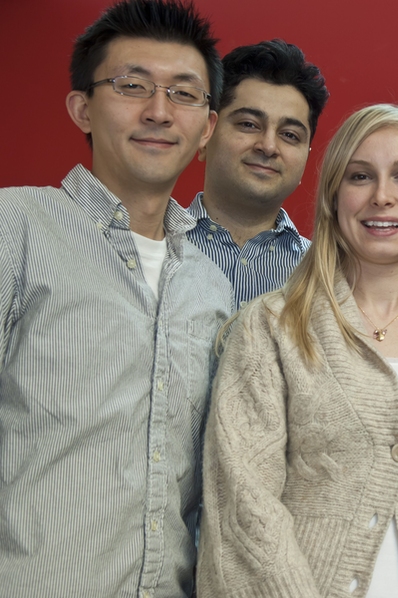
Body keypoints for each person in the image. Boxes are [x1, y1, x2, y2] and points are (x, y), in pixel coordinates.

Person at [197, 103, 398, 597]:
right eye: (360, 176)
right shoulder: (272, 330)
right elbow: (243, 506)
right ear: (333, 197)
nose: (382, 197)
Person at [0, 1, 231, 596]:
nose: (158, 112)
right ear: (82, 107)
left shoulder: (210, 284)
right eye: (132, 86)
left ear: (206, 128)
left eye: (184, 94)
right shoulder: (16, 225)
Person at [187, 39, 328, 308]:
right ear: (206, 133)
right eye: (249, 124)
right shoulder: (151, 250)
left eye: (289, 135)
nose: (269, 146)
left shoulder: (326, 278)